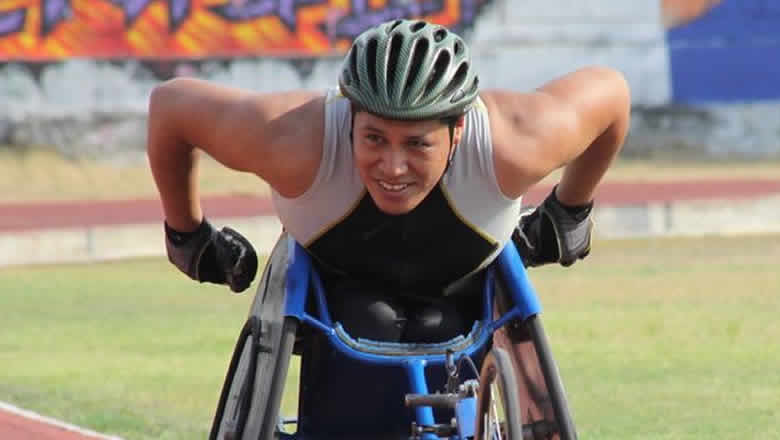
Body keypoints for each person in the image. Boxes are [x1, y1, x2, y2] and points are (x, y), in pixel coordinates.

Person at [147, 18, 631, 343]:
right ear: (349, 118)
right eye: (374, 138)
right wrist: (187, 237)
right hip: (337, 282)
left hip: (464, 280)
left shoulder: (513, 144)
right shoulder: (295, 142)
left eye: (418, 144)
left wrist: (569, 213)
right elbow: (170, 108)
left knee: (438, 324)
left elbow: (612, 94)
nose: (393, 167)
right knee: (370, 320)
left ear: (457, 132)